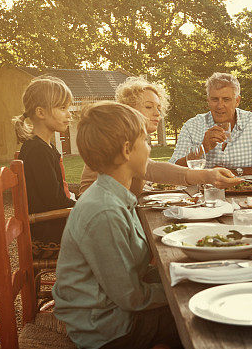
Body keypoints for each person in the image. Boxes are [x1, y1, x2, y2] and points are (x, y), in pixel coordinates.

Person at [53, 102, 182, 349]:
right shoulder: (104, 211)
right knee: (196, 319)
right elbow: (131, 298)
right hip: (105, 327)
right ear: (126, 150)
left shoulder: (114, 196)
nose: (150, 147)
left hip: (115, 310)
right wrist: (180, 292)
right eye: (145, 140)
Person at [79, 77, 240, 194]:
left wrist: (208, 175)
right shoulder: (116, 137)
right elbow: (153, 169)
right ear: (128, 109)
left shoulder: (133, 138)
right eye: (149, 107)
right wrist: (207, 175)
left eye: (158, 107)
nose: (157, 113)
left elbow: (152, 168)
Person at [169, 72, 252, 175]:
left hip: (245, 194)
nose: (220, 106)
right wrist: (203, 148)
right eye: (215, 99)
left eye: (226, 99)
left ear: (237, 101)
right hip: (203, 195)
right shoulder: (192, 126)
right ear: (208, 101)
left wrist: (235, 172)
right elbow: (172, 170)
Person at [12, 76, 75, 259]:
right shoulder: (37, 151)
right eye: (62, 108)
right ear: (41, 112)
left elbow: (55, 196)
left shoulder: (44, 147)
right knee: (108, 229)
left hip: (50, 225)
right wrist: (84, 206)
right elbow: (54, 202)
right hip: (46, 236)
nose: (69, 114)